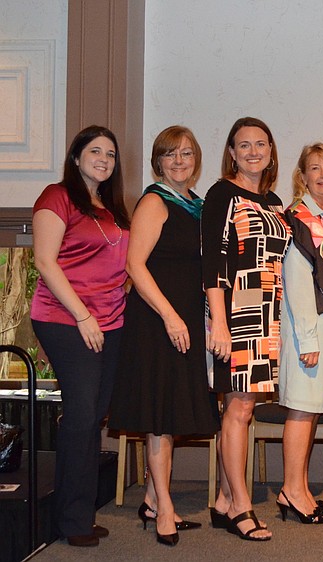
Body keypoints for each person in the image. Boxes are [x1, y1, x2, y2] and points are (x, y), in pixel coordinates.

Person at [109, 126, 220, 546]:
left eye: (187, 154)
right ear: (158, 161)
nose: (179, 161)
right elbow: (135, 267)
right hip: (157, 321)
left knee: (170, 414)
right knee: (159, 416)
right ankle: (165, 510)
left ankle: (154, 500)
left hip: (186, 320)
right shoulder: (154, 202)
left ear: (196, 160)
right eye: (170, 155)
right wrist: (172, 317)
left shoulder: (197, 203)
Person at [31, 125, 130, 547]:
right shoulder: (57, 196)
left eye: (110, 153)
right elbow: (45, 262)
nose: (103, 159)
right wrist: (83, 315)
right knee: (82, 413)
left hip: (110, 321)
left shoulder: (111, 209)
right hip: (64, 318)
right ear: (76, 157)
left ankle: (81, 512)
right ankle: (71, 522)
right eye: (95, 151)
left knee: (94, 414)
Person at [203, 117, 289, 541]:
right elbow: (213, 262)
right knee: (237, 409)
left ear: (271, 150)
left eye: (261, 143)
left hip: (267, 314)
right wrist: (218, 322)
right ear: (232, 153)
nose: (253, 151)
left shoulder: (273, 200)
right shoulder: (222, 194)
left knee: (245, 409)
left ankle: (223, 498)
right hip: (238, 312)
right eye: (244, 145)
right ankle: (240, 504)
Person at [277, 142, 323, 524]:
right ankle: (291, 490)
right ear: (302, 177)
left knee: (308, 413)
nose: (322, 174)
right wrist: (308, 340)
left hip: (321, 333)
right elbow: (297, 285)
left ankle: (298, 487)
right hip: (306, 333)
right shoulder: (298, 220)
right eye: (314, 168)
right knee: (301, 414)